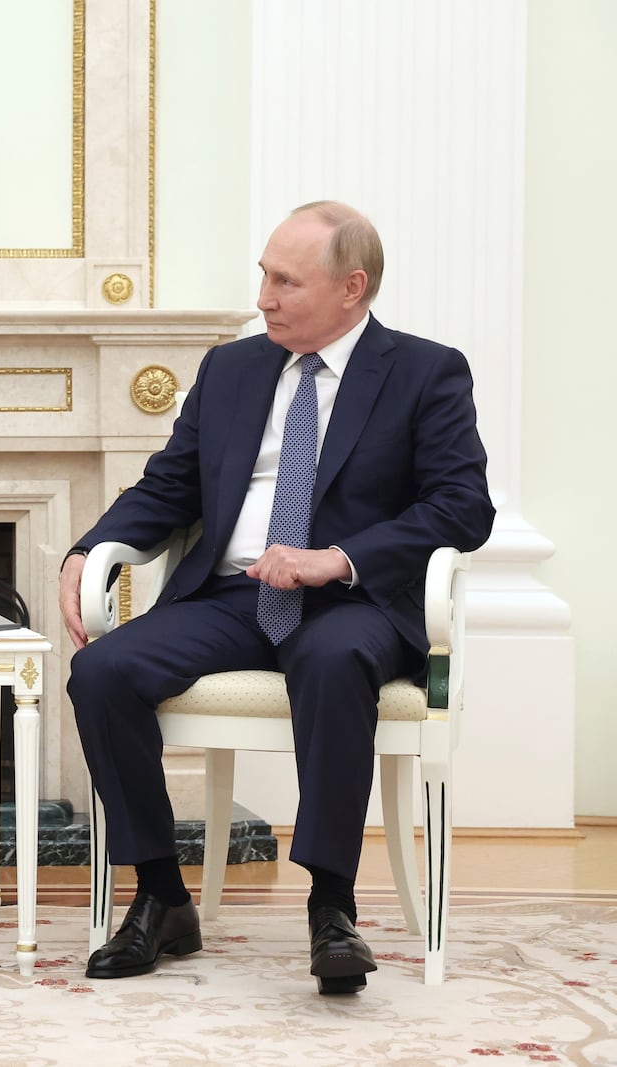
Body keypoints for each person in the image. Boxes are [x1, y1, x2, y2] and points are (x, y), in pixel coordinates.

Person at [58, 201, 494, 995]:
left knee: (331, 662)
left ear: (352, 288)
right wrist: (88, 548)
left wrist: (340, 558)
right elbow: (170, 486)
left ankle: (332, 906)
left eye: (285, 280)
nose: (262, 295)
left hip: (353, 604)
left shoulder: (426, 371)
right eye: (264, 274)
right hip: (231, 595)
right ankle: (160, 890)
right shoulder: (232, 368)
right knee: (103, 672)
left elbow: (463, 506)